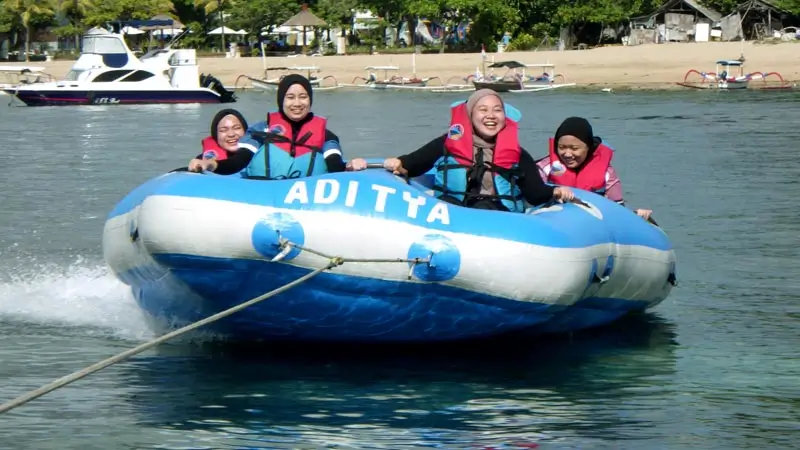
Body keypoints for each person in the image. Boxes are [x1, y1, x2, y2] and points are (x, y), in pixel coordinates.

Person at [378, 89, 574, 211]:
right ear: (470, 114)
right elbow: (414, 163)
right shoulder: (447, 143)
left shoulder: (518, 154)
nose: (491, 116)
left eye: (497, 110)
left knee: (489, 206)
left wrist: (555, 192)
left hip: (499, 218)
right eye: (483, 110)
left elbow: (534, 193)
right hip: (452, 213)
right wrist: (399, 163)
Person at [189, 74, 366, 177]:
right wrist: (211, 164)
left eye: (303, 97)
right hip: (263, 195)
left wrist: (350, 167)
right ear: (281, 100)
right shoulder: (259, 131)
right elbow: (238, 162)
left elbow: (335, 166)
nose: (297, 103)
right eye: (290, 97)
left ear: (310, 100)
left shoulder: (328, 136)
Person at [536, 117, 653, 221]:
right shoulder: (545, 167)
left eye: (574, 148)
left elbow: (618, 208)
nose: (567, 154)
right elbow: (532, 195)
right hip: (555, 219)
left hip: (592, 223)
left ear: (588, 147)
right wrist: (555, 192)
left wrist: (636, 215)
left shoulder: (607, 173)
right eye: (562, 148)